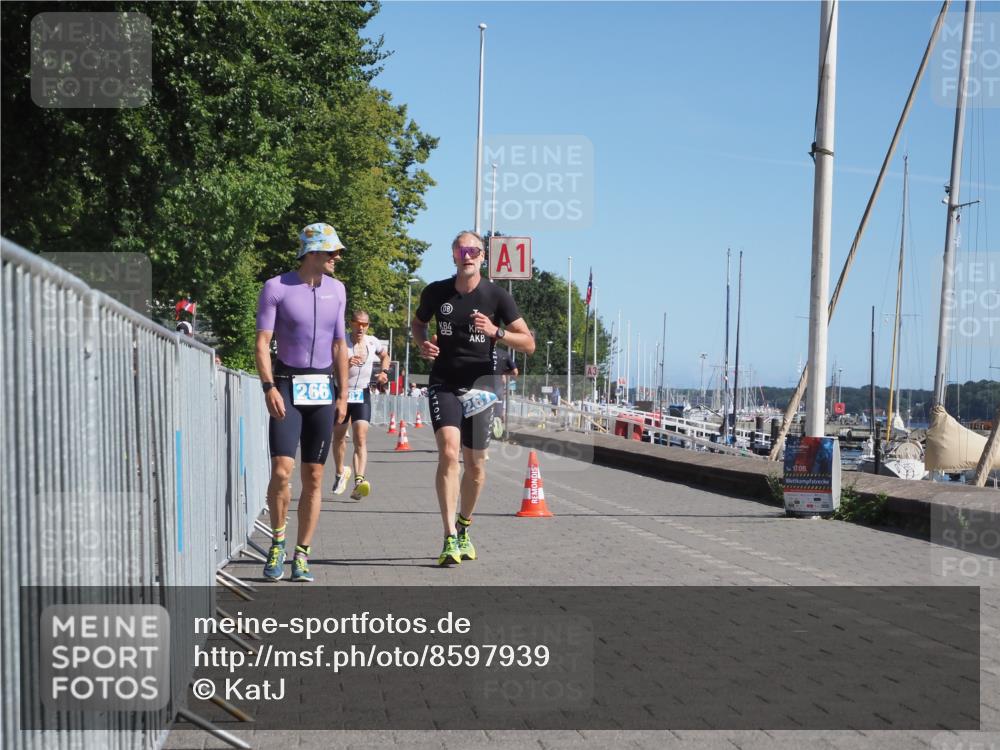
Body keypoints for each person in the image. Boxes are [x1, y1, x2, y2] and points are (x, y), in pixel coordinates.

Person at [412, 230, 535, 566]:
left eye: (473, 251)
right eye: (461, 250)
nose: (467, 256)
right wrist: (423, 344)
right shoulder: (436, 292)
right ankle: (449, 535)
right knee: (449, 453)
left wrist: (497, 331)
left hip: (481, 387)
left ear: (483, 256)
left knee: (476, 467)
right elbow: (418, 324)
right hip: (444, 382)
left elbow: (528, 343)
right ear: (453, 255)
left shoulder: (496, 296)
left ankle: (464, 525)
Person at [255, 222, 349, 582]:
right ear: (312, 252)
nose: (337, 258)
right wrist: (269, 387)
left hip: (323, 389)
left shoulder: (337, 290)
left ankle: (302, 553)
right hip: (287, 385)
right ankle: (278, 542)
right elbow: (262, 343)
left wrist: (343, 395)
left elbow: (340, 345)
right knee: (282, 470)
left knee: (314, 475)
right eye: (332, 252)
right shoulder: (277, 287)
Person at [331, 310, 389, 499]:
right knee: (339, 438)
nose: (361, 328)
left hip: (362, 393)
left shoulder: (373, 342)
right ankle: (340, 472)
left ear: (368, 326)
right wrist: (346, 363)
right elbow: (331, 368)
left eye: (364, 324)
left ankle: (358, 482)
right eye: (357, 323)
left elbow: (385, 356)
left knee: (360, 437)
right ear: (351, 323)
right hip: (342, 393)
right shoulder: (341, 342)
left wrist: (384, 372)